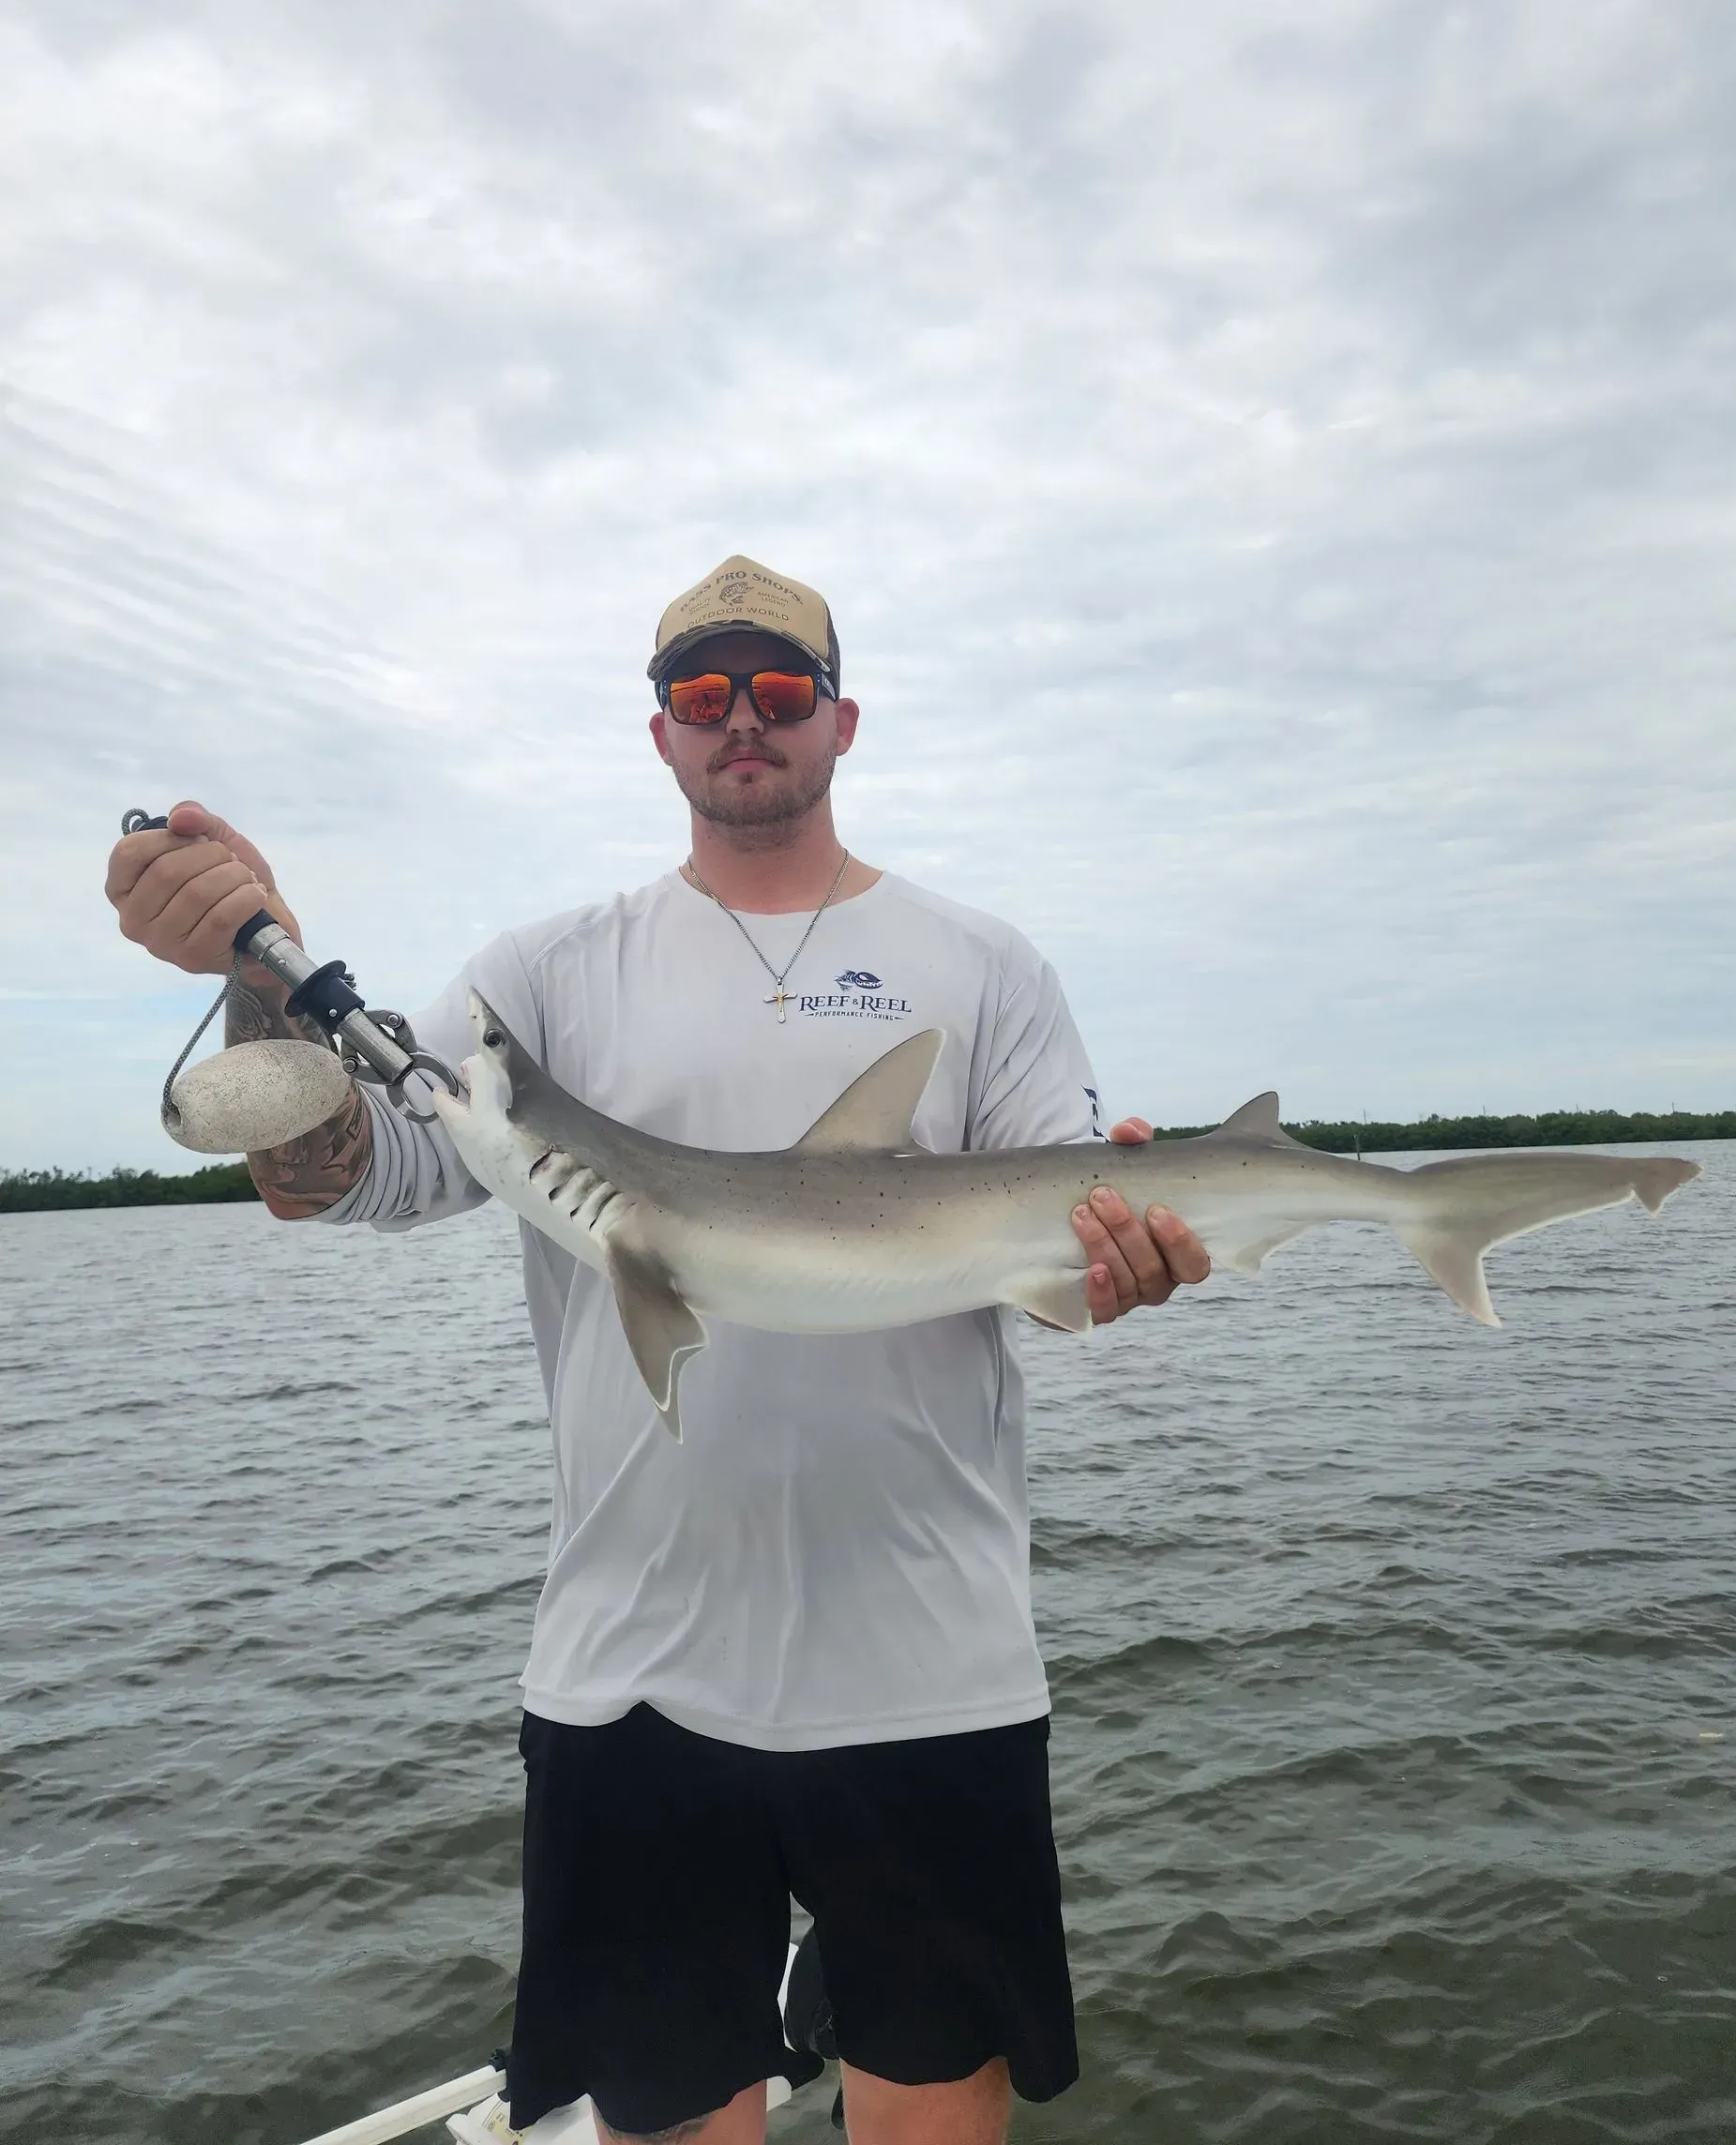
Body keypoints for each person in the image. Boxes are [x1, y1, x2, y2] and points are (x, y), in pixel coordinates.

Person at [104, 558, 1212, 2145]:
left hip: (932, 1660)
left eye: (778, 690)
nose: (743, 719)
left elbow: (1069, 1238)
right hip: (632, 1676)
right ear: (660, 734)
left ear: (843, 720)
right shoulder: (537, 985)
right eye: (706, 694)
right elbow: (338, 1176)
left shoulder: (985, 966)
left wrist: (1130, 1255)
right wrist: (252, 975)